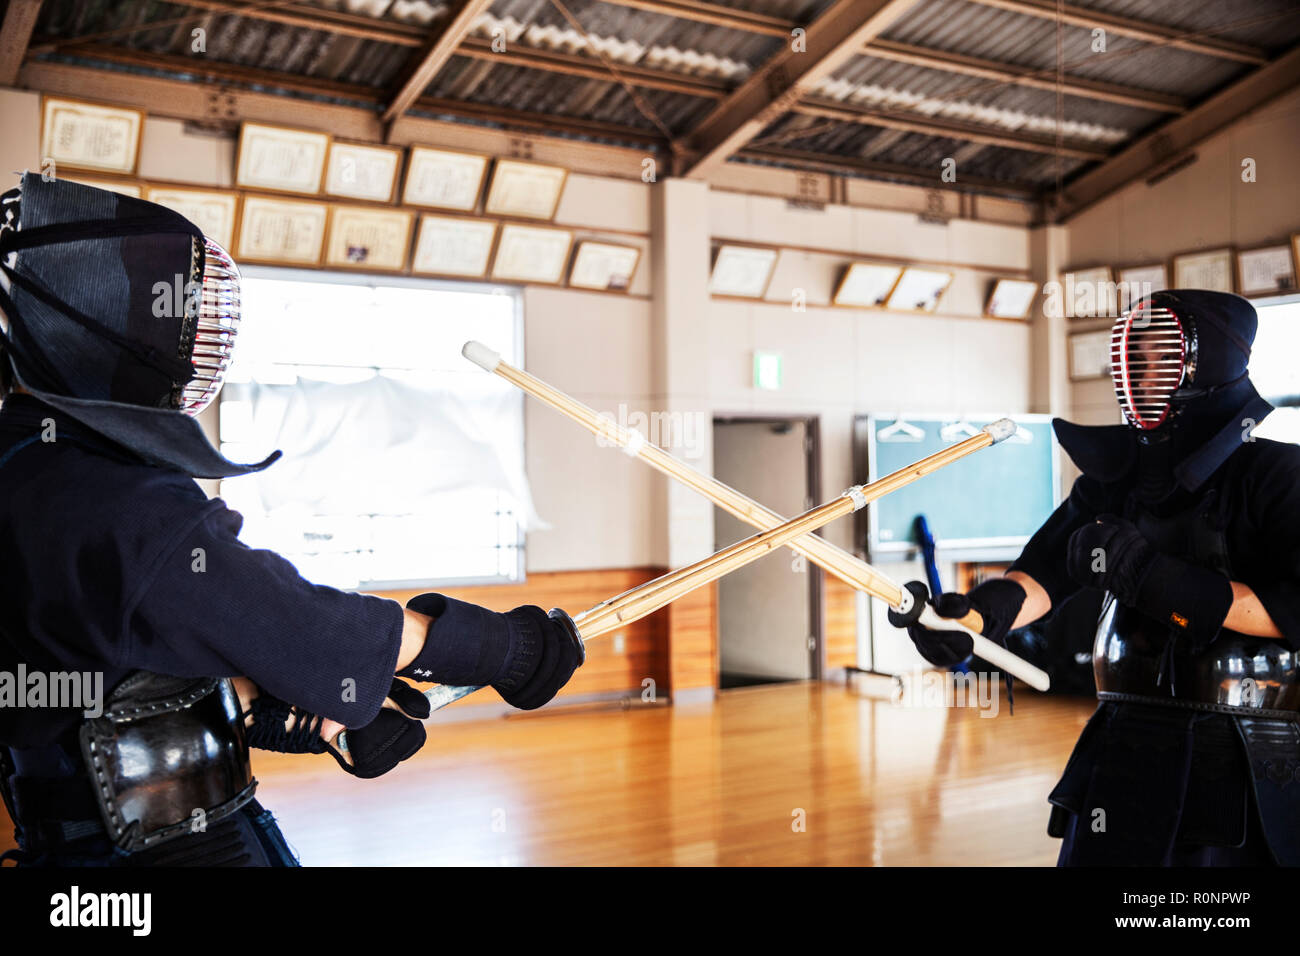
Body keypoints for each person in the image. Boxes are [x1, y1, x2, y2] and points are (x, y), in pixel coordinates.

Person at [0, 174, 583, 866]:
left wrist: (269, 707)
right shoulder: (109, 499)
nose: (191, 338)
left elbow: (100, 665)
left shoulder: (29, 464)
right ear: (95, 323)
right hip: (160, 852)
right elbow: (292, 621)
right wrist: (494, 647)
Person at [893, 289, 1299, 866]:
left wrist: (1150, 576)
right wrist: (972, 623)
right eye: (1131, 354)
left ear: (1209, 364)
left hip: (1242, 745)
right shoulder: (1118, 482)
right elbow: (1039, 577)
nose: (1137, 369)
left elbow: (1292, 607)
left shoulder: (1276, 475)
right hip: (1125, 734)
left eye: (1156, 354)